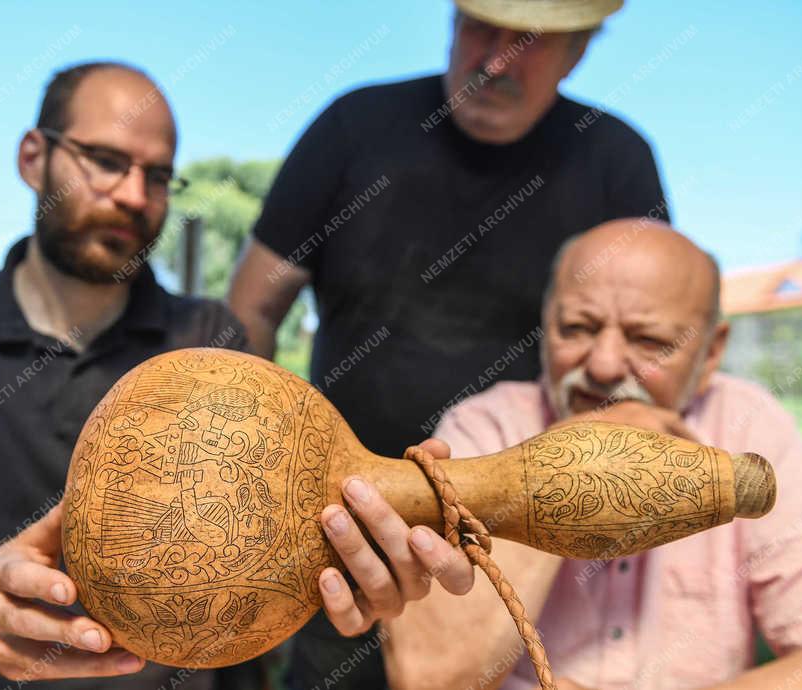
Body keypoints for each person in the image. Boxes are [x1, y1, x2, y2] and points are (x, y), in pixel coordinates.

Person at [0, 62, 474, 690]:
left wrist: (353, 567)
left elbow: (282, 540)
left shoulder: (213, 341)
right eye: (104, 161)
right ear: (33, 157)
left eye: (158, 176)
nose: (133, 194)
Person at [229, 1, 669, 686]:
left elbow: (653, 343)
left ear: (579, 50)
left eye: (528, 41)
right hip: (339, 535)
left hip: (516, 557)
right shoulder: (354, 128)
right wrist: (247, 480)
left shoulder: (616, 163)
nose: (495, 61)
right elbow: (252, 309)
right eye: (479, 29)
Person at [383, 220, 802, 690]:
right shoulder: (486, 426)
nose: (604, 366)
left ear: (711, 353)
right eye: (577, 329)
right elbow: (431, 679)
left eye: (648, 341)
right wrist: (570, 459)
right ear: (546, 328)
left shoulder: (750, 425)